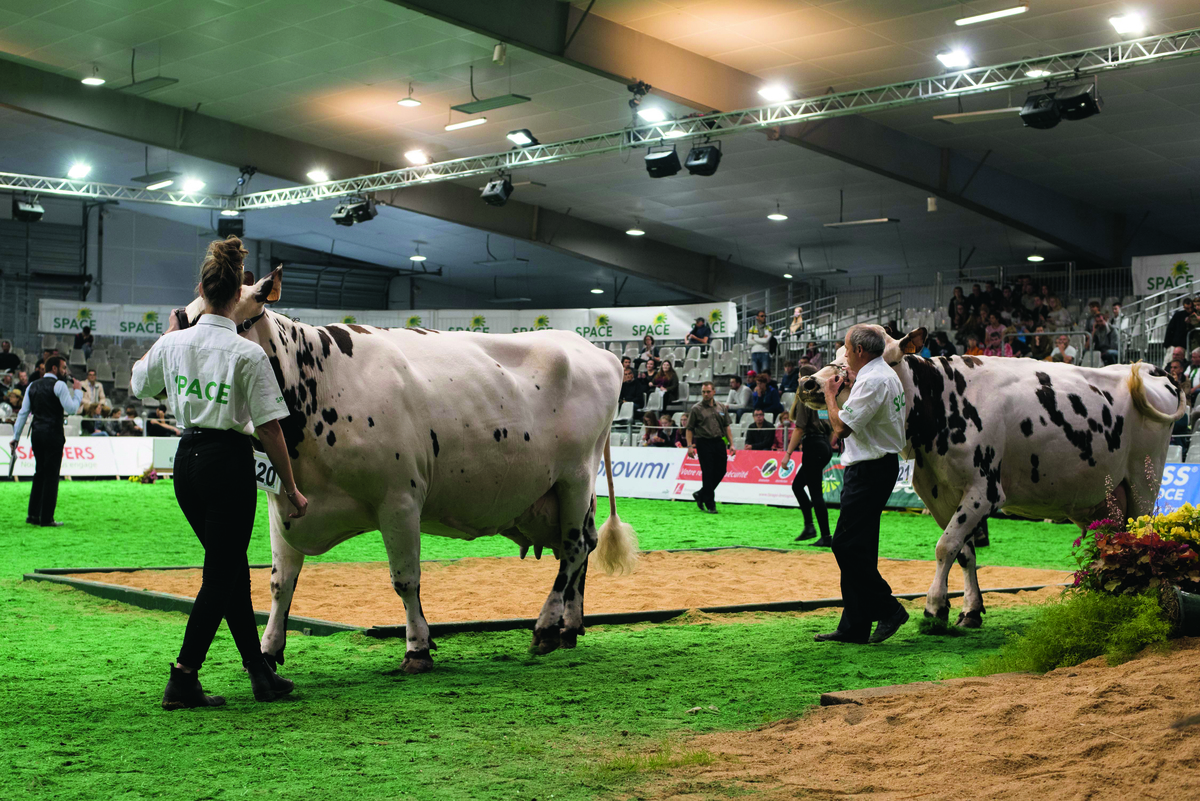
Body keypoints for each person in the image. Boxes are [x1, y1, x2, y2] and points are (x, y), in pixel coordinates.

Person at [131, 235, 306, 710]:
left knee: (229, 570)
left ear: (202, 292)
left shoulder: (174, 342)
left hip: (184, 464)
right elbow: (270, 431)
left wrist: (168, 334)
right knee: (222, 573)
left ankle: (258, 672)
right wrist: (291, 487)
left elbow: (138, 382)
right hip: (227, 463)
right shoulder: (246, 354)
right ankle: (183, 677)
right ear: (238, 297)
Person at [816, 325, 909, 644]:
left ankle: (889, 608)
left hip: (868, 469)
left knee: (844, 545)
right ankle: (855, 626)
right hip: (879, 465)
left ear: (858, 351)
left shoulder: (872, 380)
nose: (842, 355)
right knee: (862, 547)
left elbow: (841, 427)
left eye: (844, 349)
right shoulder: (883, 374)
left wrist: (830, 395)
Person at [10, 355, 83, 527]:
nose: (65, 372)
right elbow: (71, 409)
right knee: (51, 476)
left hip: (36, 434)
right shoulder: (60, 385)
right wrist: (78, 391)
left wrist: (15, 437)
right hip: (53, 434)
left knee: (40, 472)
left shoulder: (32, 386)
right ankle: (47, 518)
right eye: (64, 368)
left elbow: (23, 413)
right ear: (55, 369)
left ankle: (33, 515)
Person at [686, 381, 735, 515]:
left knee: (721, 471)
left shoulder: (721, 407)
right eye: (703, 392)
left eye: (708, 391)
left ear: (714, 392)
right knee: (707, 473)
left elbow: (727, 427)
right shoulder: (696, 408)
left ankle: (701, 494)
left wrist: (732, 443)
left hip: (719, 442)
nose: (706, 394)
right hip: (703, 442)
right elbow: (689, 428)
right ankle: (710, 504)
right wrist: (690, 446)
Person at [747, 310, 772, 375]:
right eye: (762, 316)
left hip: (764, 353)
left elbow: (766, 341)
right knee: (756, 374)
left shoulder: (768, 328)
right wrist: (761, 339)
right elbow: (749, 341)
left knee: (765, 374)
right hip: (754, 353)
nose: (764, 317)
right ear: (757, 317)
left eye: (764, 316)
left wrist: (755, 338)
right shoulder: (752, 328)